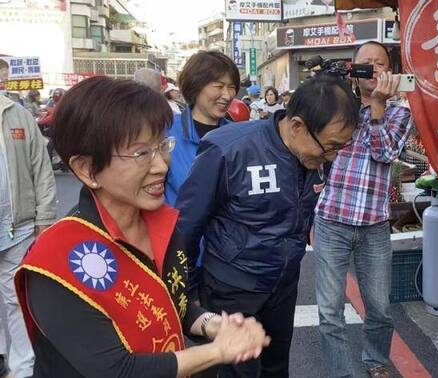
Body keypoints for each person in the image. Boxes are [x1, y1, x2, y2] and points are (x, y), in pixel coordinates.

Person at [14, 76, 270, 378]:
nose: (162, 165)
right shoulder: (57, 260)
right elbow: (116, 371)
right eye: (140, 153)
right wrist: (218, 351)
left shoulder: (163, 225)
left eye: (162, 146)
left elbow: (175, 305)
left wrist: (216, 324)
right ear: (86, 168)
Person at [176, 74, 359, 378]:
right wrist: (190, 296)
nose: (332, 156)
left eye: (339, 148)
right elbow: (187, 226)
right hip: (231, 290)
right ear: (298, 126)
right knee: (235, 372)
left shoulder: (314, 156)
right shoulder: (229, 149)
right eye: (329, 147)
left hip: (282, 287)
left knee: (275, 368)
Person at [313, 41, 412, 378]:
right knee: (329, 311)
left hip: (374, 225)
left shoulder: (400, 111)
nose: (373, 68)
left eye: (380, 63)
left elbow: (383, 152)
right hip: (332, 221)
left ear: (390, 71)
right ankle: (342, 373)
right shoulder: (339, 107)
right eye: (365, 63)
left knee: (381, 309)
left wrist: (379, 106)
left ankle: (375, 361)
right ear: (353, 69)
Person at [0, 83, 56, 378]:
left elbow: (41, 168)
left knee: (16, 299)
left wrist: (44, 218)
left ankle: (22, 369)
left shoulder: (17, 116)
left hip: (16, 228)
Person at [164, 51, 238, 206]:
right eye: (219, 86)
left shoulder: (240, 137)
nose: (227, 95)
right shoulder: (165, 132)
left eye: (231, 87)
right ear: (195, 86)